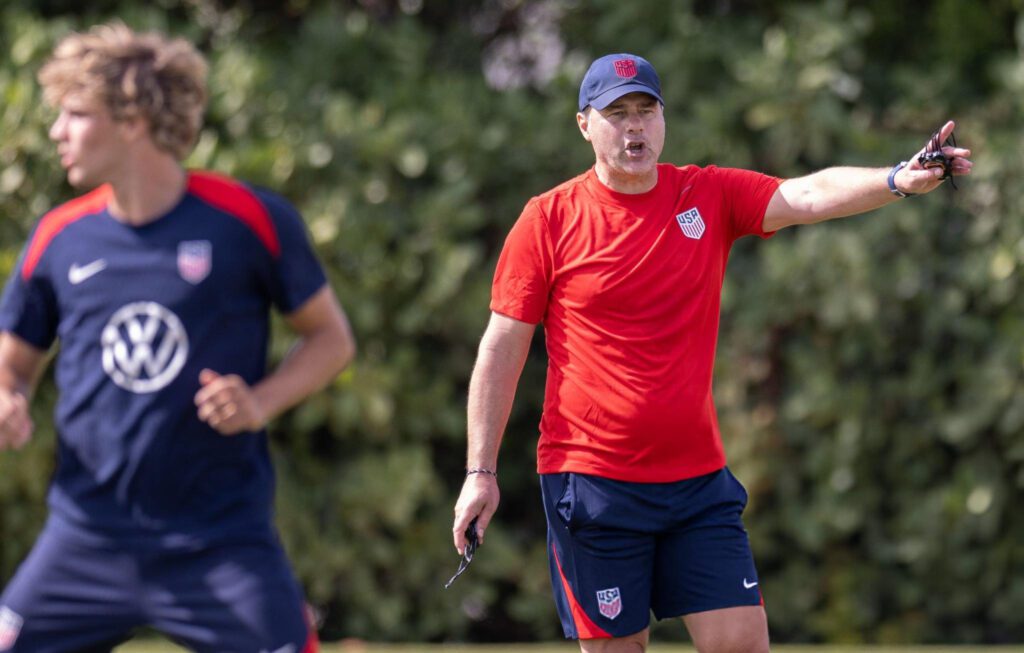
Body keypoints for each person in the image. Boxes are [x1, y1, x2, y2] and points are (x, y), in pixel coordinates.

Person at [451, 53, 971, 653]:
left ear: (663, 118)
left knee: (742, 644)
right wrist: (480, 473)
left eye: (646, 111)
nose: (634, 127)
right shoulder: (547, 220)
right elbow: (501, 349)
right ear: (584, 125)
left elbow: (805, 195)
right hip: (592, 484)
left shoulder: (706, 193)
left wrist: (895, 179)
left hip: (697, 485)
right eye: (616, 114)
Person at [0, 23, 355, 652]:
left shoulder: (249, 220)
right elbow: (12, 366)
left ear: (132, 119)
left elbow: (331, 340)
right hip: (83, 542)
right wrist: (9, 399)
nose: (57, 131)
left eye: (76, 114)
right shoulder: (58, 237)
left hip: (221, 544)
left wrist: (259, 402)